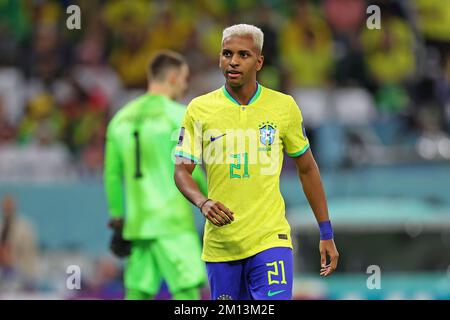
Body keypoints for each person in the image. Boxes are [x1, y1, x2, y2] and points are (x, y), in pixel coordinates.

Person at [174, 24, 339, 300]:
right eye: (227, 54)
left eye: (243, 55)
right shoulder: (199, 109)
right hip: (221, 245)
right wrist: (203, 202)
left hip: (270, 239)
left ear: (259, 61)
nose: (234, 61)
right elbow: (181, 170)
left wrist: (326, 231)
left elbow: (307, 168)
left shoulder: (283, 107)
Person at [104, 50, 208, 300]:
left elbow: (111, 175)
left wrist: (118, 219)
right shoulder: (178, 116)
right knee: (186, 290)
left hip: (139, 224)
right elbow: (191, 170)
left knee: (138, 291)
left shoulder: (119, 119)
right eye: (184, 79)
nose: (185, 86)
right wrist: (212, 200)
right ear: (172, 77)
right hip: (173, 222)